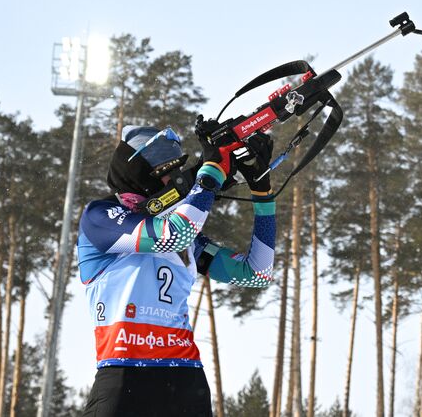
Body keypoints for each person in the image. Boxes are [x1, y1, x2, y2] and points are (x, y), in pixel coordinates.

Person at [77, 125, 276, 416]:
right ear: (138, 174)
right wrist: (209, 175)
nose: (173, 180)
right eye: (165, 173)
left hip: (185, 380)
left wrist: (263, 194)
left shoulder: (185, 239)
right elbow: (173, 234)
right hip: (125, 377)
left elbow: (257, 273)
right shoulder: (99, 217)